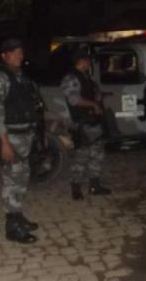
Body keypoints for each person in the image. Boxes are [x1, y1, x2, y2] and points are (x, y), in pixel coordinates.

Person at [0, 38, 41, 244]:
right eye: (14, 52)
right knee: (12, 180)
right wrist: (4, 142)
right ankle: (12, 227)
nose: (19, 55)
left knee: (22, 178)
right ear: (4, 56)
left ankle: (18, 216)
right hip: (11, 137)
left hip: (24, 134)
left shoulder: (19, 77)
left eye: (20, 51)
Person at [61, 49, 111, 200]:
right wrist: (93, 104)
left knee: (97, 155)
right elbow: (74, 100)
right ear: (81, 61)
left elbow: (92, 92)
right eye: (87, 60)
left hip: (93, 122)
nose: (89, 63)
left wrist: (98, 97)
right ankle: (76, 188)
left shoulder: (86, 77)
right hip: (82, 123)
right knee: (81, 156)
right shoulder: (71, 78)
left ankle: (94, 185)